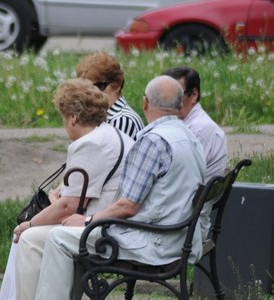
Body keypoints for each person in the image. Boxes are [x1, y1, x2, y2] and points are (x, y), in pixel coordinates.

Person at [26, 75, 206, 299]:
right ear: (180, 105)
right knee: (73, 234)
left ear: (145, 103)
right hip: (180, 238)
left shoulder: (153, 141)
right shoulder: (189, 136)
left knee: (59, 238)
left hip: (155, 243)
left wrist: (88, 221)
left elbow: (127, 207)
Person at [0, 78, 134, 300]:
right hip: (110, 222)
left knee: (30, 238)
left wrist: (28, 224)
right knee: (43, 234)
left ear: (73, 118)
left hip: (102, 228)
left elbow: (68, 207)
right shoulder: (109, 134)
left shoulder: (90, 143)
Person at [162, 67, 228, 241]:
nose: (169, 102)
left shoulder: (198, 131)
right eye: (163, 96)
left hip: (186, 227)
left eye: (176, 96)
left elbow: (178, 184)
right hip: (183, 218)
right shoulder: (185, 124)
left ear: (193, 95)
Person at [75, 51, 144, 140]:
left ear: (117, 86)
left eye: (98, 86)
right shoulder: (101, 116)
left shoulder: (122, 120)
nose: (91, 93)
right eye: (85, 88)